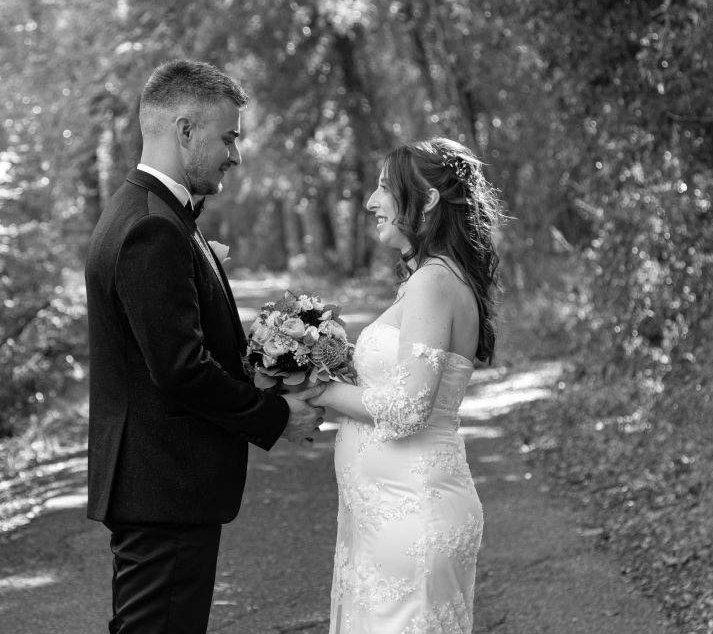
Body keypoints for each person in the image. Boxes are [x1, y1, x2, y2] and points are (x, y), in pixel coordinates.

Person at [84, 59, 324, 634]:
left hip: (158, 486)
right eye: (229, 137)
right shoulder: (154, 228)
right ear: (186, 130)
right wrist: (275, 416)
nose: (235, 154)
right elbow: (181, 370)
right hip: (165, 486)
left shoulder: (147, 211)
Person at [308, 137, 503, 634]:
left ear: (428, 199)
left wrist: (319, 391)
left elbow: (408, 408)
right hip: (388, 513)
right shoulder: (430, 278)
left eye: (383, 188)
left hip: (411, 513)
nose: (371, 202)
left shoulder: (434, 281)